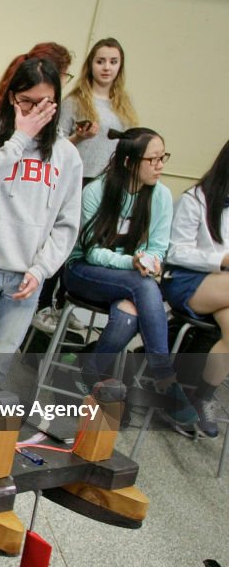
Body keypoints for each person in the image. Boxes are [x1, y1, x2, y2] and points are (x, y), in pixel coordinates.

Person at [0, 58, 82, 378]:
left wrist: (42, 270)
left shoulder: (66, 155)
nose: (36, 111)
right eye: (27, 102)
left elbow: (67, 224)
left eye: (45, 103)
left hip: (28, 276)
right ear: (12, 98)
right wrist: (19, 140)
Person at [62, 128, 198, 426]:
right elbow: (90, 251)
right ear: (129, 162)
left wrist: (152, 262)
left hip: (131, 280)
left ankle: (91, 372)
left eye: (164, 157)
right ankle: (164, 376)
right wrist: (132, 262)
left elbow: (158, 247)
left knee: (130, 310)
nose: (161, 165)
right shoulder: (97, 190)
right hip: (83, 272)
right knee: (142, 286)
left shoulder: (160, 195)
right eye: (153, 159)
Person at [162, 138, 229, 438]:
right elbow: (175, 253)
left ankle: (200, 398)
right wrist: (221, 259)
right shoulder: (196, 198)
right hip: (186, 280)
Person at [58, 37, 138, 182]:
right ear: (90, 65)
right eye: (100, 61)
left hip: (112, 181)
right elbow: (57, 146)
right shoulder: (73, 102)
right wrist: (79, 137)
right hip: (78, 178)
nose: (107, 67)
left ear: (120, 66)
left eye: (113, 62)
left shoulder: (126, 104)